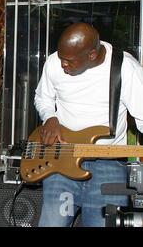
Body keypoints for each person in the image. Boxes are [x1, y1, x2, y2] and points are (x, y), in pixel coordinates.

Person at [34, 22, 143, 227]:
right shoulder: (53, 62)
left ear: (91, 55)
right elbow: (43, 98)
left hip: (109, 164)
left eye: (69, 61)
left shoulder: (125, 67)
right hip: (61, 157)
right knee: (51, 223)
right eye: (61, 58)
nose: (62, 65)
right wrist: (50, 117)